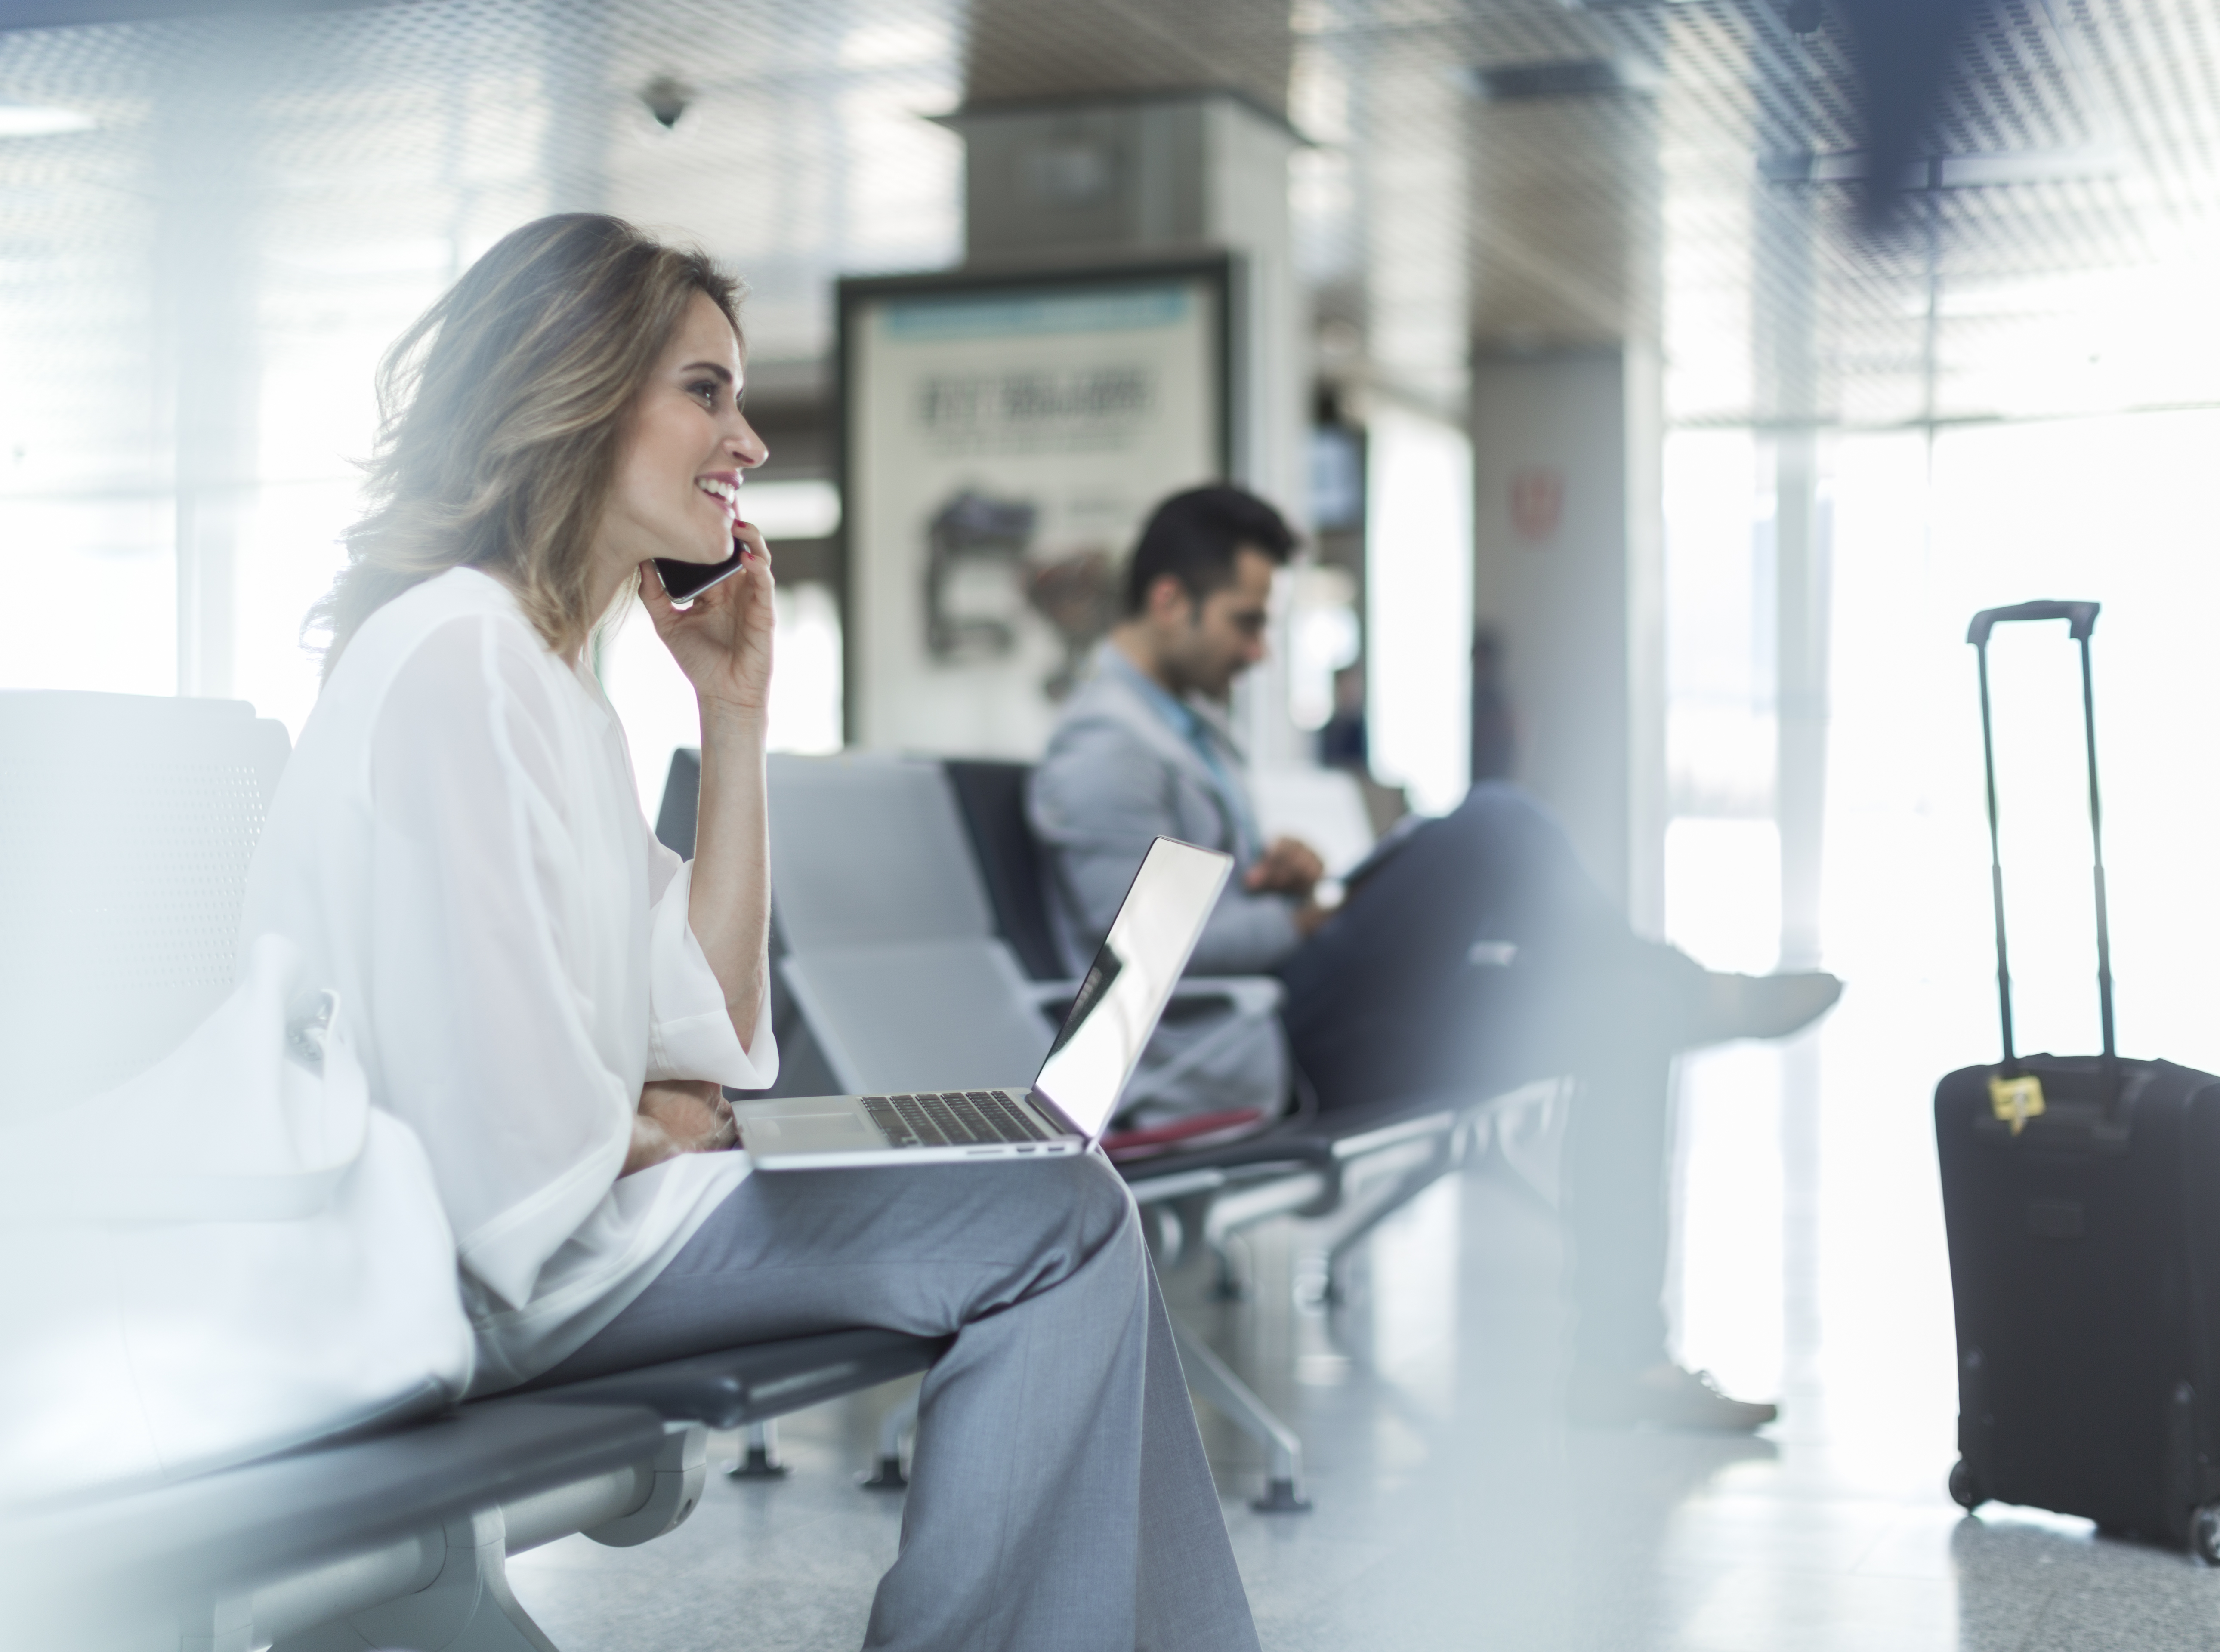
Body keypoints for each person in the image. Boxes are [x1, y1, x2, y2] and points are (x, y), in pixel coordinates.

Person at [241, 216, 1258, 1652]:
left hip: (575, 1234)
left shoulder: (545, 684)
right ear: (578, 389)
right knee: (1062, 1215)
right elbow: (507, 1160)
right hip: (516, 1273)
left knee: (1062, 1195)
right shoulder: (460, 658)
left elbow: (708, 1030)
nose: (751, 442)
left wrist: (734, 718)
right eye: (707, 392)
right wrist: (646, 1119)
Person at [1029, 485, 1841, 1433]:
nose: (1258, 652)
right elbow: (1127, 971)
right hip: (1266, 1049)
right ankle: (1698, 989)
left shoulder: (1177, 728)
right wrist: (1301, 922)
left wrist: (1276, 881)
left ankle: (1624, 1363)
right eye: (1247, 624)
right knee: (1497, 821)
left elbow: (1186, 900)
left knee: (1622, 1010)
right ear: (1171, 601)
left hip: (1300, 1012)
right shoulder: (1102, 752)